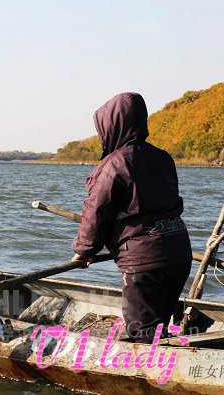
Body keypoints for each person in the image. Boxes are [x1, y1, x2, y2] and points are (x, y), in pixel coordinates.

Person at [71, 92, 192, 343]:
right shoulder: (163, 158)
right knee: (158, 328)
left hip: (145, 263)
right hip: (179, 253)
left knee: (143, 335)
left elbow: (96, 213)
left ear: (112, 126)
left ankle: (153, 376)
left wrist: (84, 250)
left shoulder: (113, 165)